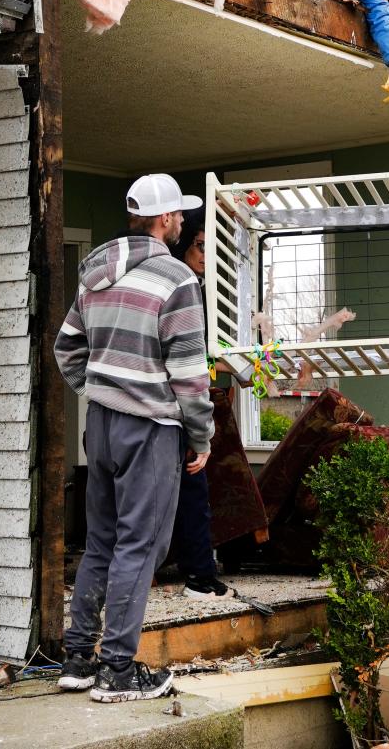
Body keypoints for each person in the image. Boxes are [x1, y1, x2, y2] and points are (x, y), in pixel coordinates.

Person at [54, 174, 214, 702]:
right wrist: (201, 436)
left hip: (99, 425)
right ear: (166, 219)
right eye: (179, 215)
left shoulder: (95, 275)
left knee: (102, 540)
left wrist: (100, 390)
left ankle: (77, 657)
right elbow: (190, 372)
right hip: (150, 427)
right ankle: (117, 669)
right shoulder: (176, 280)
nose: (184, 222)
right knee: (140, 544)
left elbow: (67, 349)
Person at [169, 212, 230, 600]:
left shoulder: (206, 291)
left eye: (213, 248)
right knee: (190, 489)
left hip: (191, 403)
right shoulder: (178, 287)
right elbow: (184, 359)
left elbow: (205, 357)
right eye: (200, 245)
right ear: (184, 244)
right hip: (172, 407)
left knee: (195, 490)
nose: (207, 254)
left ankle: (200, 571)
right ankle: (198, 576)